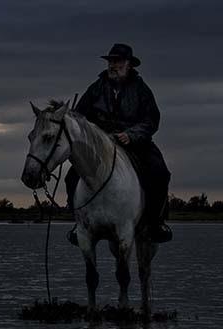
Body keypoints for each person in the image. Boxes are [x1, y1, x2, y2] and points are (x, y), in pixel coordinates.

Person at [65, 43, 173, 244]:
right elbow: (80, 117)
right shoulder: (96, 87)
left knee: (160, 173)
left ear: (129, 65)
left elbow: (152, 119)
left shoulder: (141, 89)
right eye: (111, 61)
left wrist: (132, 134)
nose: (113, 65)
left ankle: (156, 223)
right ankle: (78, 223)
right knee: (73, 176)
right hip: (101, 145)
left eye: (118, 61)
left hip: (135, 143)